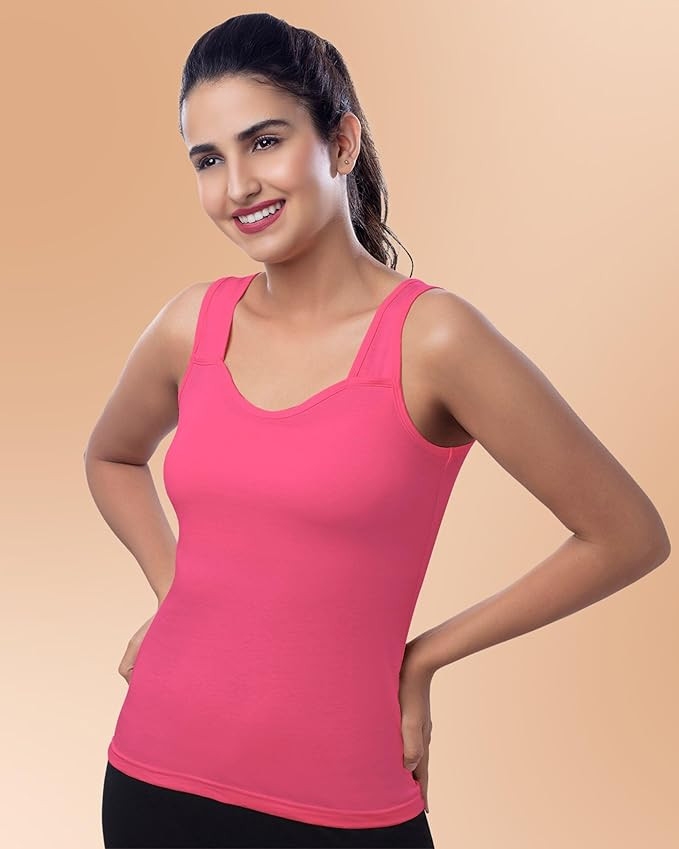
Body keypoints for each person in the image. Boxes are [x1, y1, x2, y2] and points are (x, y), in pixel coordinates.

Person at [85, 12, 671, 849]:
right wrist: (176, 586)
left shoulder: (434, 339)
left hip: (344, 802)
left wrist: (422, 656)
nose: (237, 185)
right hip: (154, 779)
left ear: (341, 142)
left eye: (264, 142)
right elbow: (111, 457)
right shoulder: (191, 325)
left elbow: (626, 534)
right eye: (207, 160)